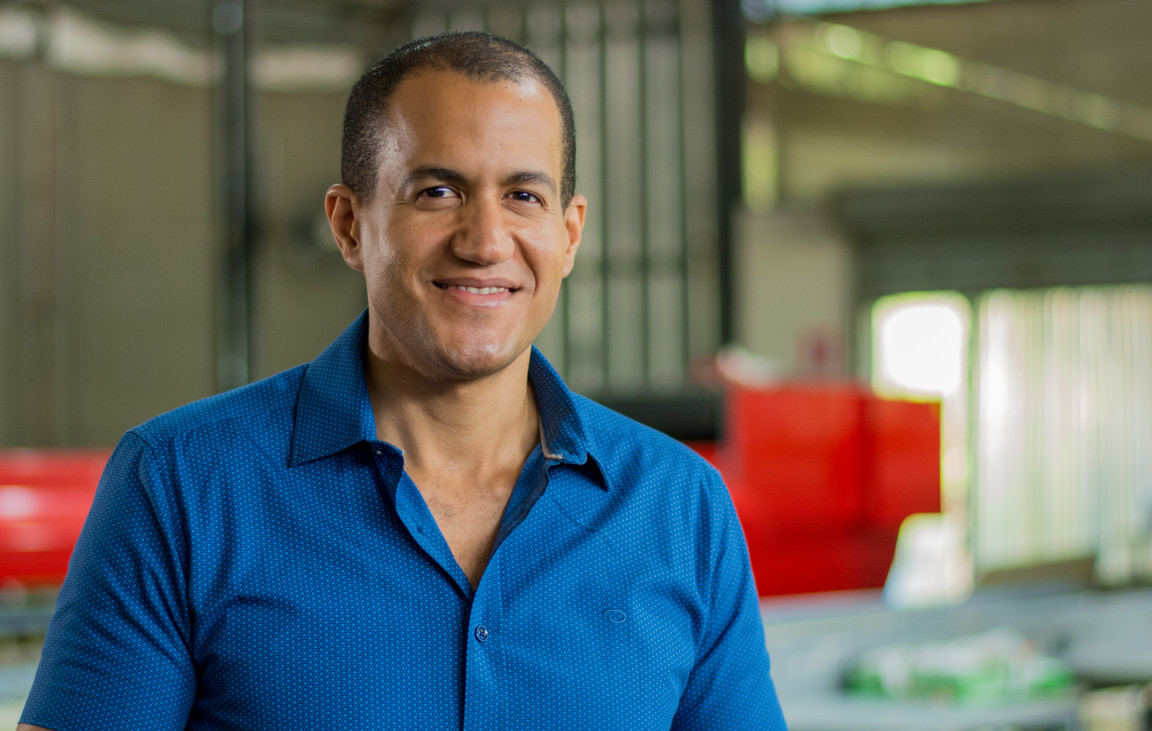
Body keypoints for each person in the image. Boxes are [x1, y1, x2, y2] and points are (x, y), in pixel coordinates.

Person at [19, 31, 786, 730]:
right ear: (348, 224)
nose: (486, 241)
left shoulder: (680, 505)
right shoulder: (182, 486)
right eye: (438, 192)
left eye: (523, 196)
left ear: (569, 232)